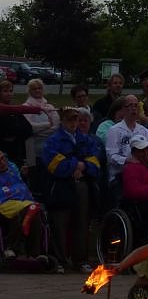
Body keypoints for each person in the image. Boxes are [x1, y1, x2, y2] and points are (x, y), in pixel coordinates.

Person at [42, 107, 102, 273]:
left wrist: (83, 166)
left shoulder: (86, 139)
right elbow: (54, 165)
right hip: (60, 186)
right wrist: (77, 164)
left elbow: (96, 162)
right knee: (60, 223)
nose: (74, 123)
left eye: (76, 119)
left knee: (82, 223)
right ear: (62, 121)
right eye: (70, 120)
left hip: (82, 185)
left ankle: (80, 260)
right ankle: (60, 260)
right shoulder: (53, 140)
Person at [0, 150, 47, 263]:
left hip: (22, 201)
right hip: (4, 206)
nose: (2, 162)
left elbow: (20, 185)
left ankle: (35, 254)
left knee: (34, 216)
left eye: (3, 158)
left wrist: (23, 175)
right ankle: (12, 249)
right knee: (21, 214)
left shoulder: (13, 169)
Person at [106, 95, 148, 184]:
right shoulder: (114, 130)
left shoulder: (144, 131)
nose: (133, 108)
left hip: (142, 174)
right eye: (130, 105)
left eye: (136, 105)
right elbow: (110, 156)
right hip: (120, 175)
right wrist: (127, 160)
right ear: (123, 109)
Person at [23, 78, 59, 195]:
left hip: (50, 151)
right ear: (29, 91)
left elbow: (56, 127)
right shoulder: (26, 107)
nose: (38, 91)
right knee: (35, 183)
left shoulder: (50, 107)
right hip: (33, 153)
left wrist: (38, 131)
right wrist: (48, 124)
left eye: (40, 88)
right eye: (34, 88)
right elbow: (29, 128)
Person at [0, 80, 35, 167]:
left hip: (17, 152)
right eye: (5, 91)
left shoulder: (15, 110)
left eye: (10, 91)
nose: (9, 94)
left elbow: (28, 129)